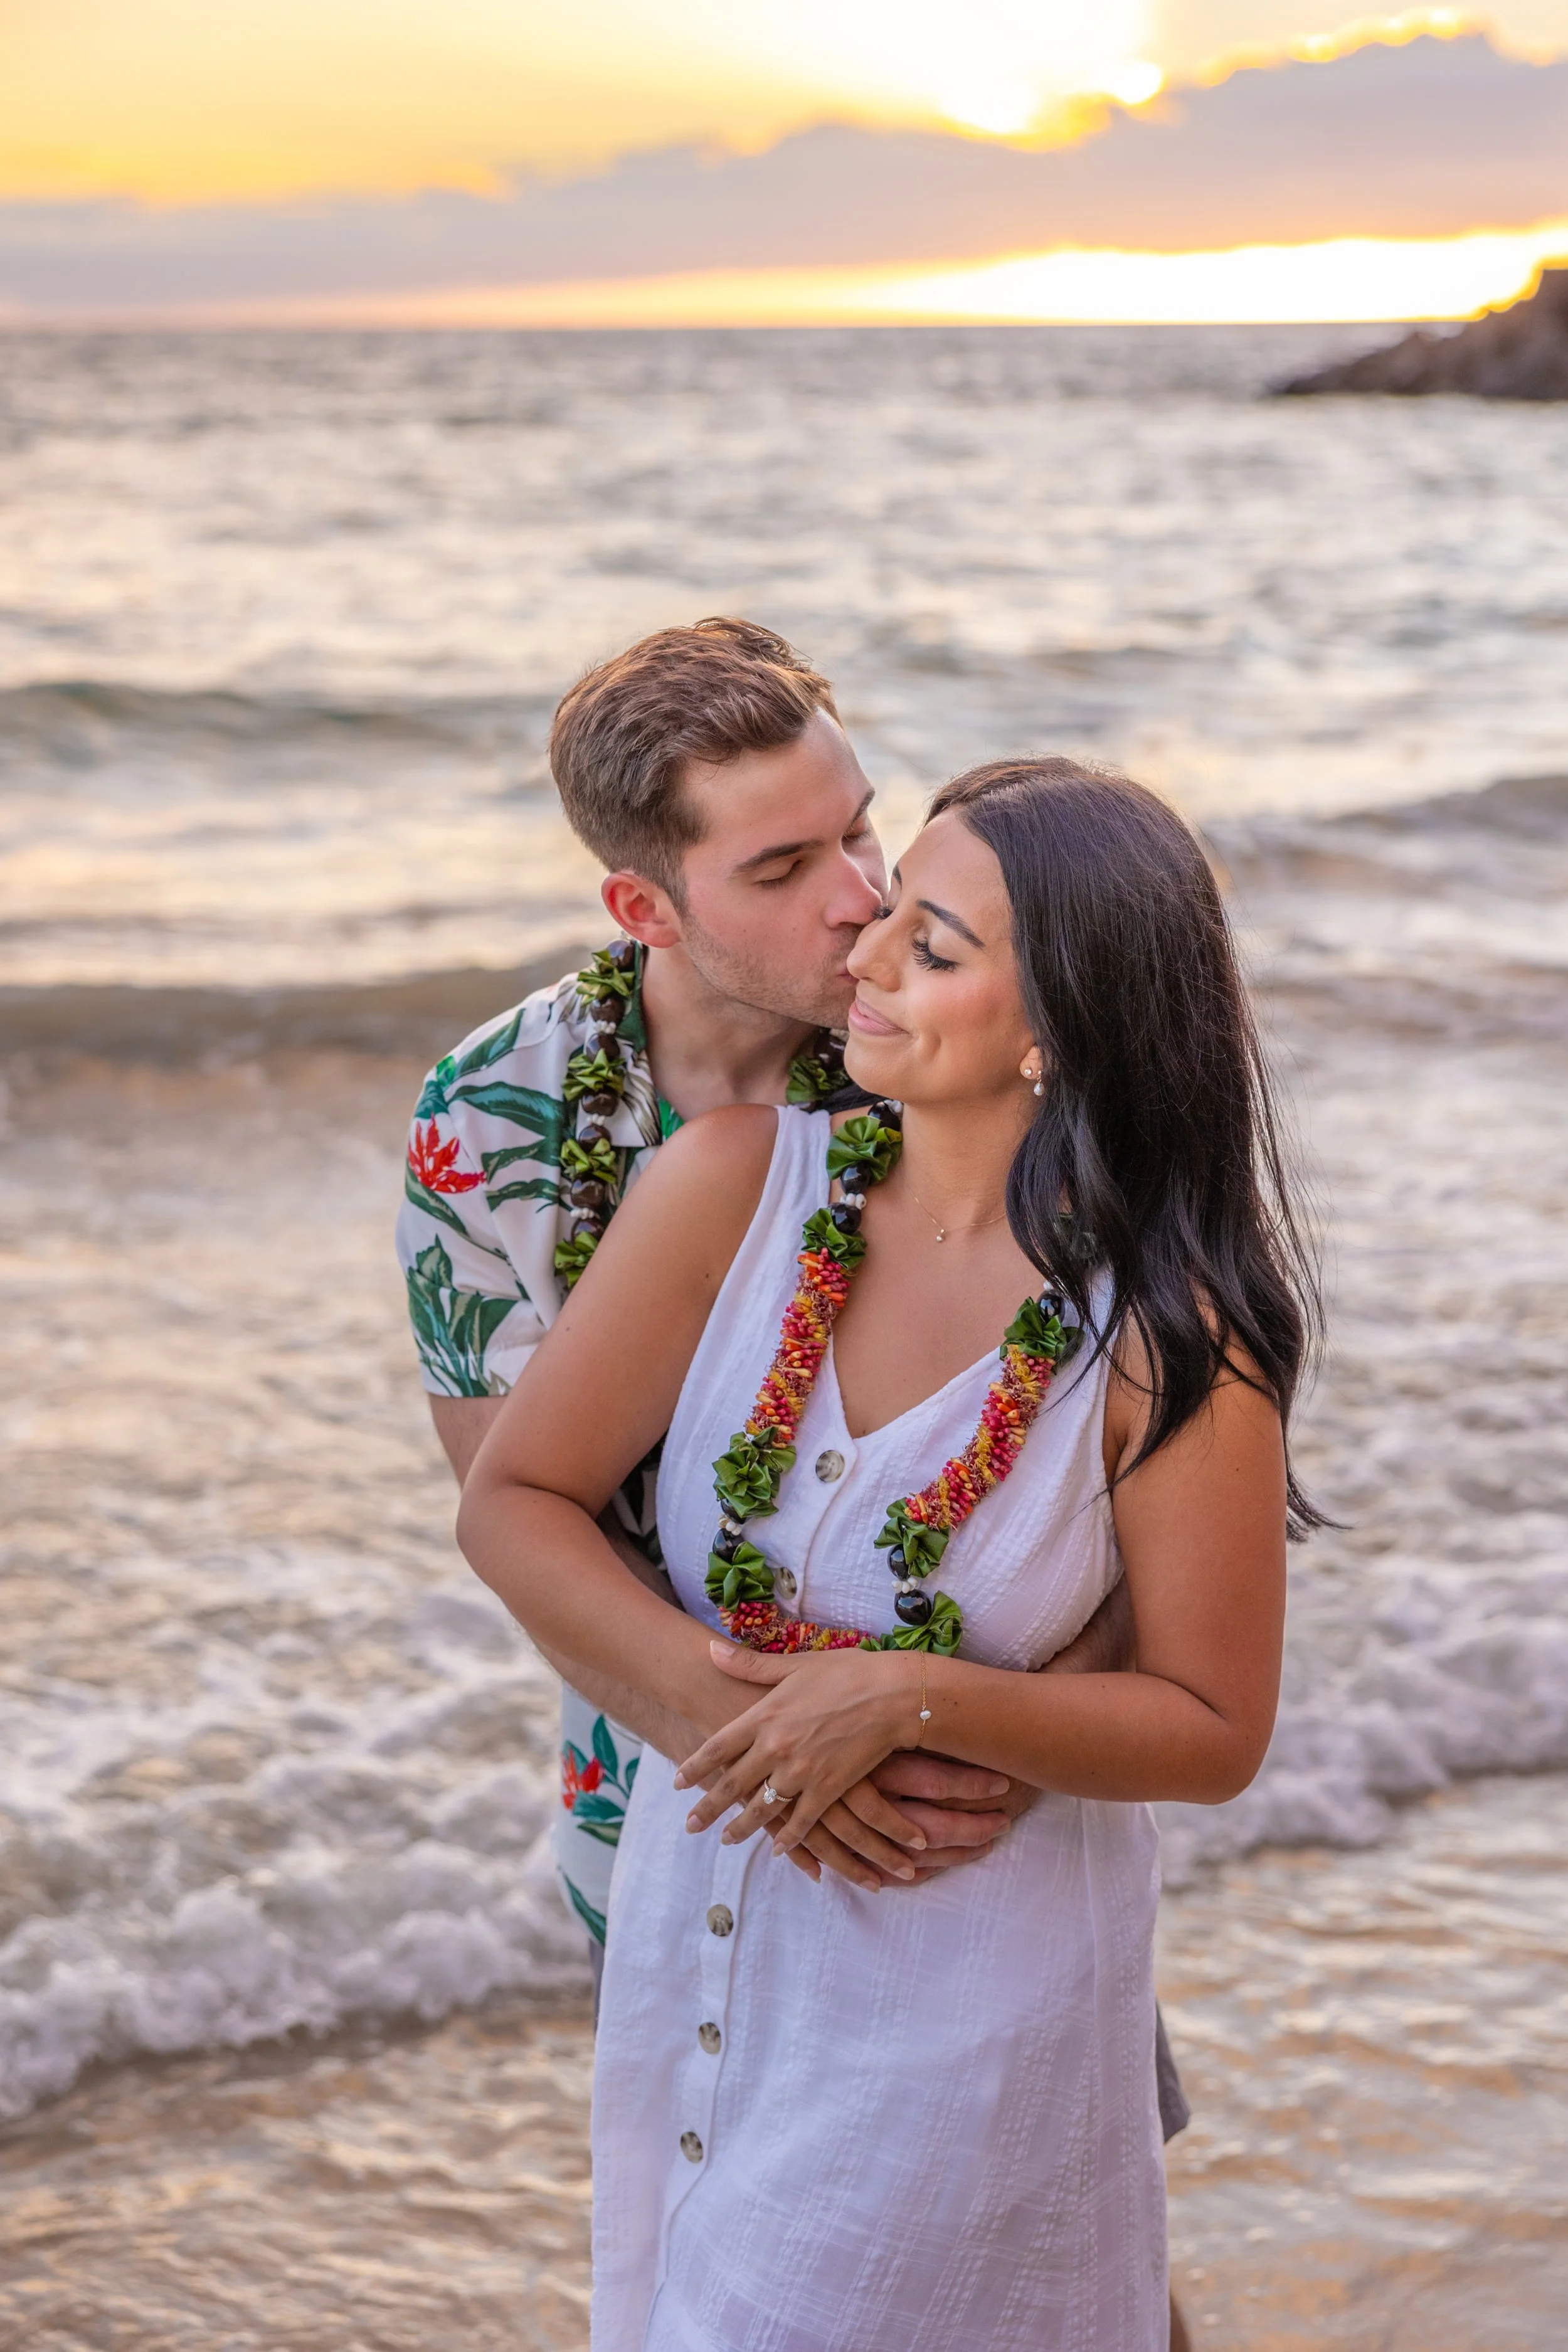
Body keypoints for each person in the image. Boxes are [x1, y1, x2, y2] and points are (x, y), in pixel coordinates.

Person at [457, 754, 1318, 2348]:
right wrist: (759, 1733)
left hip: (972, 2001)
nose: (856, 953)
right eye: (885, 912)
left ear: (1056, 1028)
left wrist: (911, 1701)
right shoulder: (730, 1192)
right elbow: (514, 1503)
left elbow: (1212, 1729)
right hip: (700, 1942)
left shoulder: (1161, 1337)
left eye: (928, 946)